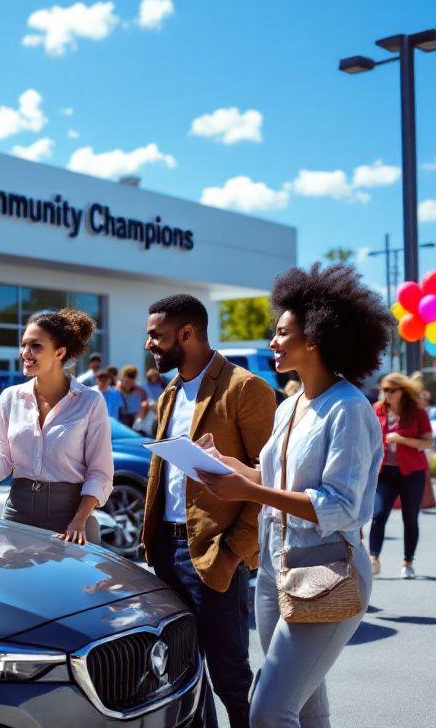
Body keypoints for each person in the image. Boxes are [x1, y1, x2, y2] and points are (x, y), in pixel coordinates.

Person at [193, 264, 387, 728]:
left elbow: (341, 508)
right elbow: (271, 476)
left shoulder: (349, 410)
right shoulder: (293, 403)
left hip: (328, 570)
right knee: (303, 706)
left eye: (283, 333)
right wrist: (223, 463)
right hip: (276, 569)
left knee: (268, 711)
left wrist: (251, 489)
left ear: (316, 338)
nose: (273, 342)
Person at [139, 293, 276, 728]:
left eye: (155, 335)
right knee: (182, 675)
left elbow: (268, 480)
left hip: (215, 553)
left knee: (230, 676)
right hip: (165, 553)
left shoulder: (245, 388)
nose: (149, 344)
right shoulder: (170, 393)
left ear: (187, 334)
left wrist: (235, 551)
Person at [0, 308, 113, 544]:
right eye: (23, 344)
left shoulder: (90, 401)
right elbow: (0, 469)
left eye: (36, 346)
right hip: (18, 511)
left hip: (70, 518)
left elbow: (100, 474)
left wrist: (79, 520)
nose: (25, 353)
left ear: (59, 352)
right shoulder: (9, 397)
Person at [368, 372, 433, 579]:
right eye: (384, 390)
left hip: (412, 472)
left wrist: (402, 439)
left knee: (410, 518)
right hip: (385, 472)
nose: (386, 394)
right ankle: (373, 558)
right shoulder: (376, 410)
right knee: (378, 515)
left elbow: (427, 443)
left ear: (402, 392)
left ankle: (408, 562)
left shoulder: (417, 412)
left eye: (391, 390)